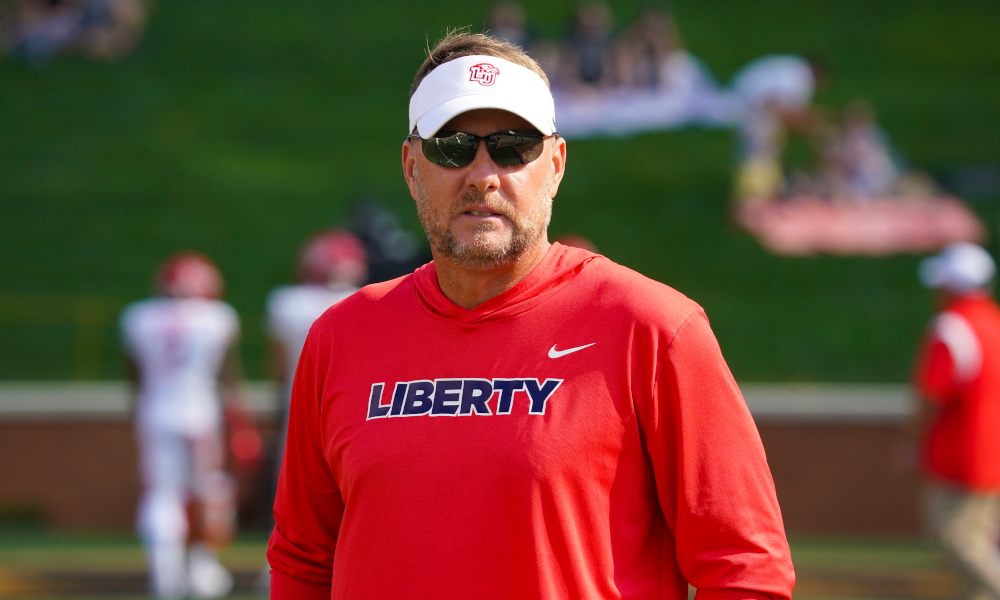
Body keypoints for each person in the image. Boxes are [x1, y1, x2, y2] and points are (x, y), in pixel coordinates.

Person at [268, 32, 794, 599]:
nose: (483, 174)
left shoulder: (654, 328)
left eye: (514, 146)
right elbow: (302, 560)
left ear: (557, 164)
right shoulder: (342, 337)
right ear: (411, 167)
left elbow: (744, 568)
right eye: (453, 146)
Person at [121, 253, 244, 599]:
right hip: (200, 415)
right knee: (209, 490)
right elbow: (226, 375)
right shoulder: (217, 318)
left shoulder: (139, 317)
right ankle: (203, 568)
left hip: (155, 413)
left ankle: (165, 573)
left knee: (161, 495)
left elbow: (135, 375)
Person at [914, 242, 1000, 599]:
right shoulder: (993, 322)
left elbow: (932, 395)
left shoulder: (952, 326)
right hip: (991, 453)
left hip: (963, 457)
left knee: (955, 538)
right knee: (979, 540)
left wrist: (913, 440)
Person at [729, 54, 827, 204]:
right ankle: (752, 203)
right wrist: (813, 127)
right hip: (756, 121)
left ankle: (757, 200)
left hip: (752, 117)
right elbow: (782, 108)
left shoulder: (790, 70)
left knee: (762, 164)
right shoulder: (799, 79)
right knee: (759, 164)